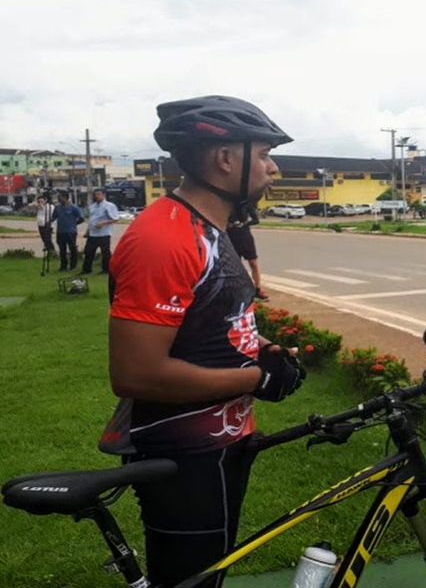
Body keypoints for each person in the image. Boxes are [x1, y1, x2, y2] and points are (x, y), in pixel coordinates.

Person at [98, 96, 307, 588]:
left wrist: (262, 349)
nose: (273, 168)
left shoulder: (209, 228)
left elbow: (211, 323)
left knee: (211, 575)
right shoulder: (164, 237)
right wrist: (257, 377)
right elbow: (135, 374)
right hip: (184, 452)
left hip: (222, 442)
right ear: (226, 158)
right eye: (264, 155)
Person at [226, 205, 268, 301]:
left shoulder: (245, 204)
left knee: (253, 262)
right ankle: (238, 290)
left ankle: (257, 290)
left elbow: (256, 220)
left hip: (245, 236)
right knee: (235, 265)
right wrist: (229, 224)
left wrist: (244, 223)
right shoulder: (226, 204)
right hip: (231, 237)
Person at [80, 188, 119, 275]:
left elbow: (115, 218)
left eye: (98, 194)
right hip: (93, 233)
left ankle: (106, 270)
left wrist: (104, 223)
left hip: (104, 233)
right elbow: (91, 220)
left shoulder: (109, 206)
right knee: (88, 251)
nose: (96, 196)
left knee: (105, 253)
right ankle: (87, 269)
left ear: (103, 195)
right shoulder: (92, 206)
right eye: (95, 195)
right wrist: (87, 231)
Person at [52, 191, 84, 271]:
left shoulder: (73, 207)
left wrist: (74, 224)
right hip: (60, 231)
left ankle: (73, 265)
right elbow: (54, 217)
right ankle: (63, 266)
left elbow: (81, 218)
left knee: (72, 249)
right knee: (62, 249)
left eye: (60, 197)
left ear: (65, 197)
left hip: (71, 232)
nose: (58, 199)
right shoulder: (58, 207)